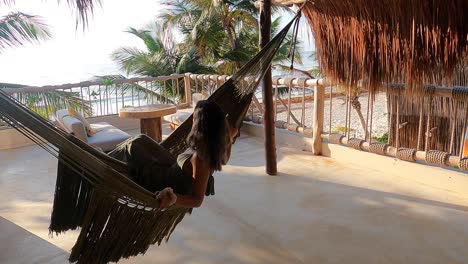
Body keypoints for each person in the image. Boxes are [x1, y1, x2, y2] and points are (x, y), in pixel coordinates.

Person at [108, 100, 238, 210]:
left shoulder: (201, 158)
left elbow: (197, 200)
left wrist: (174, 198)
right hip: (172, 168)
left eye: (194, 118)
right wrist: (230, 140)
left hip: (159, 180)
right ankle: (107, 156)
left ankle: (105, 160)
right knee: (141, 139)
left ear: (200, 123)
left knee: (133, 146)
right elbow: (224, 160)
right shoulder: (215, 145)